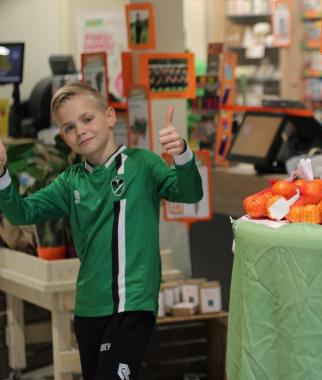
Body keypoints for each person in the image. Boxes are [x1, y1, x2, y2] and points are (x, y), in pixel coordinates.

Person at [0, 82, 203, 380]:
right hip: (88, 308)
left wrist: (183, 154)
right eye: (69, 127)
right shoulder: (70, 182)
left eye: (87, 119)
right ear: (63, 137)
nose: (80, 130)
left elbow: (190, 192)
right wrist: (2, 173)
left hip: (132, 303)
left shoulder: (142, 164)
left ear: (109, 117)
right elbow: (20, 213)